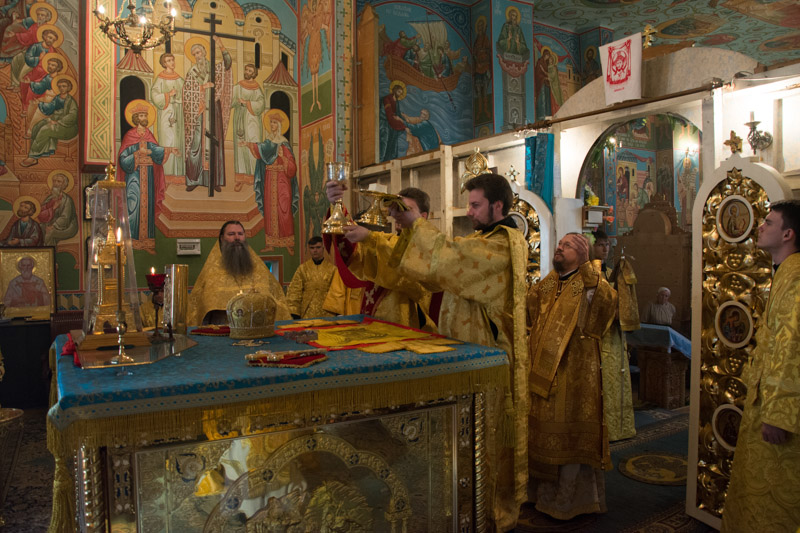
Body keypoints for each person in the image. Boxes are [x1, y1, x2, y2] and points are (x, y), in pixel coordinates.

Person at [341, 173, 528, 531]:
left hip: (487, 356)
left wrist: (414, 223)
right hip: (465, 351)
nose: (469, 211)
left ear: (498, 206)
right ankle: (462, 503)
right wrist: (382, 236)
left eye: (475, 205)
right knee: (462, 434)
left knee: (482, 438)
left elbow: (448, 259)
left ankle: (487, 511)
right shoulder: (482, 239)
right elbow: (431, 271)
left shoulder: (504, 244)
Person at [721, 200, 800, 532]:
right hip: (764, 400)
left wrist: (778, 414)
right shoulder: (785, 272)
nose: (760, 227)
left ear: (787, 234)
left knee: (773, 497)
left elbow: (791, 346)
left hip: (778, 412)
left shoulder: (796, 277)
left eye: (768, 222)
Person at [527, 233, 617, 520]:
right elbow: (530, 313)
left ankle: (567, 502)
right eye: (559, 245)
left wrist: (591, 273)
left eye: (566, 246)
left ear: (582, 253)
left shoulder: (591, 283)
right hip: (541, 373)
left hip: (574, 374)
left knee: (569, 436)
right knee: (541, 432)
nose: (559, 249)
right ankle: (537, 495)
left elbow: (603, 310)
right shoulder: (549, 282)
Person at [323, 185, 438, 331]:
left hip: (404, 327)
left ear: (423, 217)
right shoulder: (387, 240)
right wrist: (338, 206)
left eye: (406, 209)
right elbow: (358, 255)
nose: (399, 214)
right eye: (397, 208)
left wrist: (369, 237)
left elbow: (404, 264)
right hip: (371, 321)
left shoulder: (429, 247)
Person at [188, 221, 291, 326]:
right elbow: (199, 309)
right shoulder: (211, 273)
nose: (237, 238)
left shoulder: (260, 270)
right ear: (222, 238)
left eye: (240, 234)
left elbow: (277, 302)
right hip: (223, 331)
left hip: (258, 329)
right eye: (231, 234)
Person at [592, 230, 639, 442]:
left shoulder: (611, 272)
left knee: (618, 379)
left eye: (607, 245)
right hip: (598, 339)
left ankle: (621, 428)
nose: (605, 249)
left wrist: (624, 309)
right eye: (600, 245)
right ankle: (603, 430)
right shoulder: (588, 275)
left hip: (616, 337)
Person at [118, 100, 176, 241]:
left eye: (145, 115)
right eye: (142, 116)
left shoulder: (149, 134)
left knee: (148, 206)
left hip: (148, 175)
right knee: (134, 203)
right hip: (134, 175)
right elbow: (123, 158)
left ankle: (147, 241)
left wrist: (168, 150)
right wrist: (137, 153)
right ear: (136, 118)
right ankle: (132, 240)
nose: (144, 118)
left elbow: (156, 151)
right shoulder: (130, 135)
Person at [243, 108, 298, 253]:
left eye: (274, 123)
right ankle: (270, 244)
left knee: (284, 209)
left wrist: (283, 157)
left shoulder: (284, 143)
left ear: (279, 125)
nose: (272, 125)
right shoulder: (268, 142)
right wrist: (249, 144)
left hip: (282, 181)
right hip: (269, 179)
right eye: (271, 122)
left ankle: (287, 242)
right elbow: (260, 151)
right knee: (270, 210)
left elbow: (292, 168)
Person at [183, 36, 232, 193]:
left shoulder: (214, 68)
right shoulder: (192, 72)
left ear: (204, 52)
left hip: (213, 108)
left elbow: (227, 64)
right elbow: (188, 90)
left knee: (215, 143)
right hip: (199, 110)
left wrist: (220, 44)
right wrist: (202, 88)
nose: (197, 56)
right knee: (196, 143)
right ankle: (194, 179)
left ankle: (214, 179)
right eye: (194, 54)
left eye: (199, 52)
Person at [21, 75, 77, 167]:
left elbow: (72, 116)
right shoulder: (57, 97)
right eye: (60, 86)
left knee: (45, 129)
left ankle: (33, 157)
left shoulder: (71, 101)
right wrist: (39, 103)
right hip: (55, 121)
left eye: (64, 86)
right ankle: (41, 153)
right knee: (37, 126)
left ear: (69, 87)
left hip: (68, 127)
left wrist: (58, 122)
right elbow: (50, 106)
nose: (61, 88)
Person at [151, 52, 185, 176]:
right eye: (169, 61)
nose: (172, 63)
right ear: (164, 63)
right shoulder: (160, 78)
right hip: (166, 112)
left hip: (178, 112)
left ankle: (179, 174)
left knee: (178, 139)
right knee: (168, 139)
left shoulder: (179, 79)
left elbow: (187, 91)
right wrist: (168, 95)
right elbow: (154, 95)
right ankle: (167, 173)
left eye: (172, 60)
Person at [285, 236, 335, 319]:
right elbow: (295, 291)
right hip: (307, 313)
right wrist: (294, 312)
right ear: (309, 249)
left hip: (328, 313)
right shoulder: (302, 269)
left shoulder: (332, 269)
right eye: (312, 248)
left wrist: (337, 311)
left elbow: (336, 292)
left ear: (323, 248)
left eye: (318, 247)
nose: (315, 250)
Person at [232, 64, 266, 179]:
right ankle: (241, 177)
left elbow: (261, 104)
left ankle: (254, 176)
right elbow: (230, 99)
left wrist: (247, 103)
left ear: (254, 74)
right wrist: (236, 101)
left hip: (252, 122)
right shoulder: (239, 86)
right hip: (239, 120)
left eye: (250, 71)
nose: (247, 72)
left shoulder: (257, 88)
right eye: (246, 70)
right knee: (240, 147)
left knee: (252, 145)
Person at [38, 171, 77, 246]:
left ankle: (49, 252)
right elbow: (42, 212)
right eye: (54, 181)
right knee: (39, 228)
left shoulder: (67, 200)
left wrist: (53, 226)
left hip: (67, 227)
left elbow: (65, 218)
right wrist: (52, 208)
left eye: (59, 181)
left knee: (50, 233)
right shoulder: (49, 198)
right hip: (50, 223)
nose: (55, 183)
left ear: (64, 185)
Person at [379, 80, 407, 162]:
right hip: (385, 122)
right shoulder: (387, 99)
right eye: (398, 92)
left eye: (401, 93)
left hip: (392, 123)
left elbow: (398, 113)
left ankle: (390, 159)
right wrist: (396, 119)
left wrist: (403, 120)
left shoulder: (396, 102)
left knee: (393, 142)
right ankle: (382, 159)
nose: (399, 94)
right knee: (385, 141)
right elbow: (388, 112)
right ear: (394, 90)